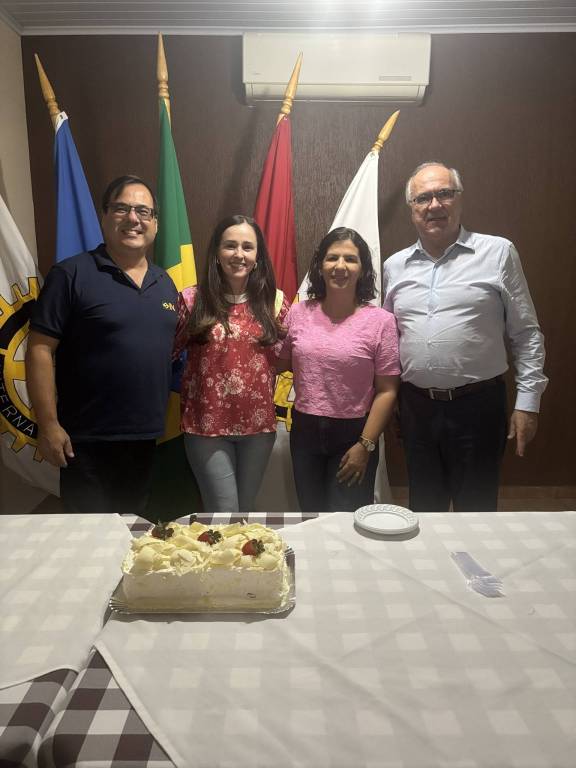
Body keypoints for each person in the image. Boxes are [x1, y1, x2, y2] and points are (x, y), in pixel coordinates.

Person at [383, 161, 548, 513]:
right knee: (423, 511)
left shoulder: (498, 252)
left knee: (477, 512)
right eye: (423, 198)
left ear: (459, 198)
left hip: (478, 408)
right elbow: (387, 340)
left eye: (444, 193)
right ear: (411, 208)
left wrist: (527, 403)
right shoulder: (394, 266)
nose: (434, 205)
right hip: (416, 409)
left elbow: (526, 333)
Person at [26, 175, 177, 515]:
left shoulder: (165, 283)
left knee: (133, 533)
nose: (133, 218)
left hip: (146, 439)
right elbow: (39, 349)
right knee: (90, 537)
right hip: (84, 442)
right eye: (122, 208)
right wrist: (48, 424)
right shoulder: (71, 274)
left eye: (143, 211)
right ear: (104, 216)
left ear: (155, 223)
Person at [278, 227, 400, 512]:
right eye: (332, 258)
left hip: (354, 433)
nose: (340, 266)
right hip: (305, 431)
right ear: (320, 265)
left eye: (350, 259)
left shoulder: (381, 322)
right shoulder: (298, 312)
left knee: (345, 520)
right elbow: (279, 364)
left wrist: (365, 445)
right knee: (310, 515)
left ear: (363, 268)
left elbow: (387, 390)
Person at [174, 214, 290, 513]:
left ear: (257, 256)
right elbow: (165, 354)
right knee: (224, 512)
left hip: (258, 429)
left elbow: (295, 355)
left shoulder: (275, 302)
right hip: (206, 428)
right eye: (230, 246)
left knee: (244, 512)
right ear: (216, 252)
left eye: (247, 247)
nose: (239, 254)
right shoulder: (191, 300)